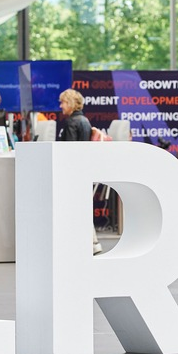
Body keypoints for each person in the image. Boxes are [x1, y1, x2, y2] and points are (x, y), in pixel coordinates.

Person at [58, 88, 103, 255]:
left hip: (72, 173)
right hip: (83, 171)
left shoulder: (71, 123)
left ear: (70, 103)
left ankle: (90, 243)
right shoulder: (85, 121)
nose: (60, 106)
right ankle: (92, 243)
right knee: (80, 206)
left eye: (62, 102)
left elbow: (69, 151)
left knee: (75, 207)